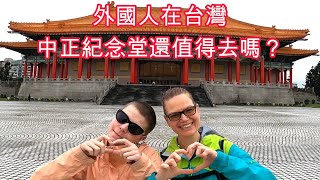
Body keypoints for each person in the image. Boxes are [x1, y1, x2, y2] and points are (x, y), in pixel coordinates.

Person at [148, 87, 276, 180]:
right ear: (167, 121)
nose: (184, 118)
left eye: (189, 110)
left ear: (198, 110)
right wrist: (159, 178)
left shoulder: (223, 147)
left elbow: (267, 177)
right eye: (175, 115)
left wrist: (219, 160)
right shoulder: (165, 157)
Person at [31, 101, 162, 180]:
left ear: (142, 138)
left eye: (134, 128)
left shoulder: (150, 158)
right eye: (122, 118)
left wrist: (141, 166)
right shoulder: (90, 153)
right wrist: (79, 155)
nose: (123, 127)